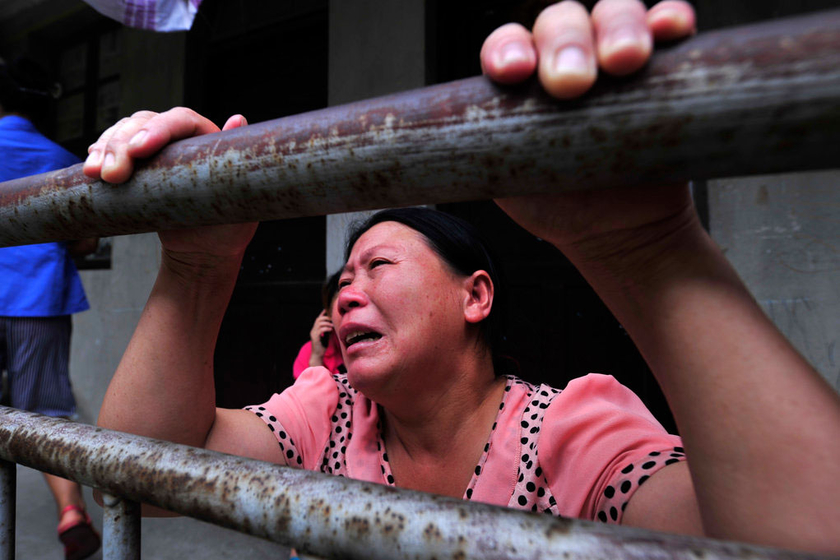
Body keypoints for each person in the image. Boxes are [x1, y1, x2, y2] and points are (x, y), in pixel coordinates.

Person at [86, 0, 840, 554]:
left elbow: (805, 534)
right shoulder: (334, 410)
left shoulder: (573, 433)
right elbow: (142, 476)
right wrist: (194, 265)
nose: (346, 291)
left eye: (378, 265)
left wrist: (647, 249)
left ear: (476, 295)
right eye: (342, 279)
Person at [0, 56, 101, 560]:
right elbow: (85, 242)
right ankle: (71, 511)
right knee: (46, 406)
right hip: (36, 297)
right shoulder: (59, 157)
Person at [292, 271, 345, 379]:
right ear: (328, 314)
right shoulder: (310, 351)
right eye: (343, 308)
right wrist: (316, 358)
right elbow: (306, 394)